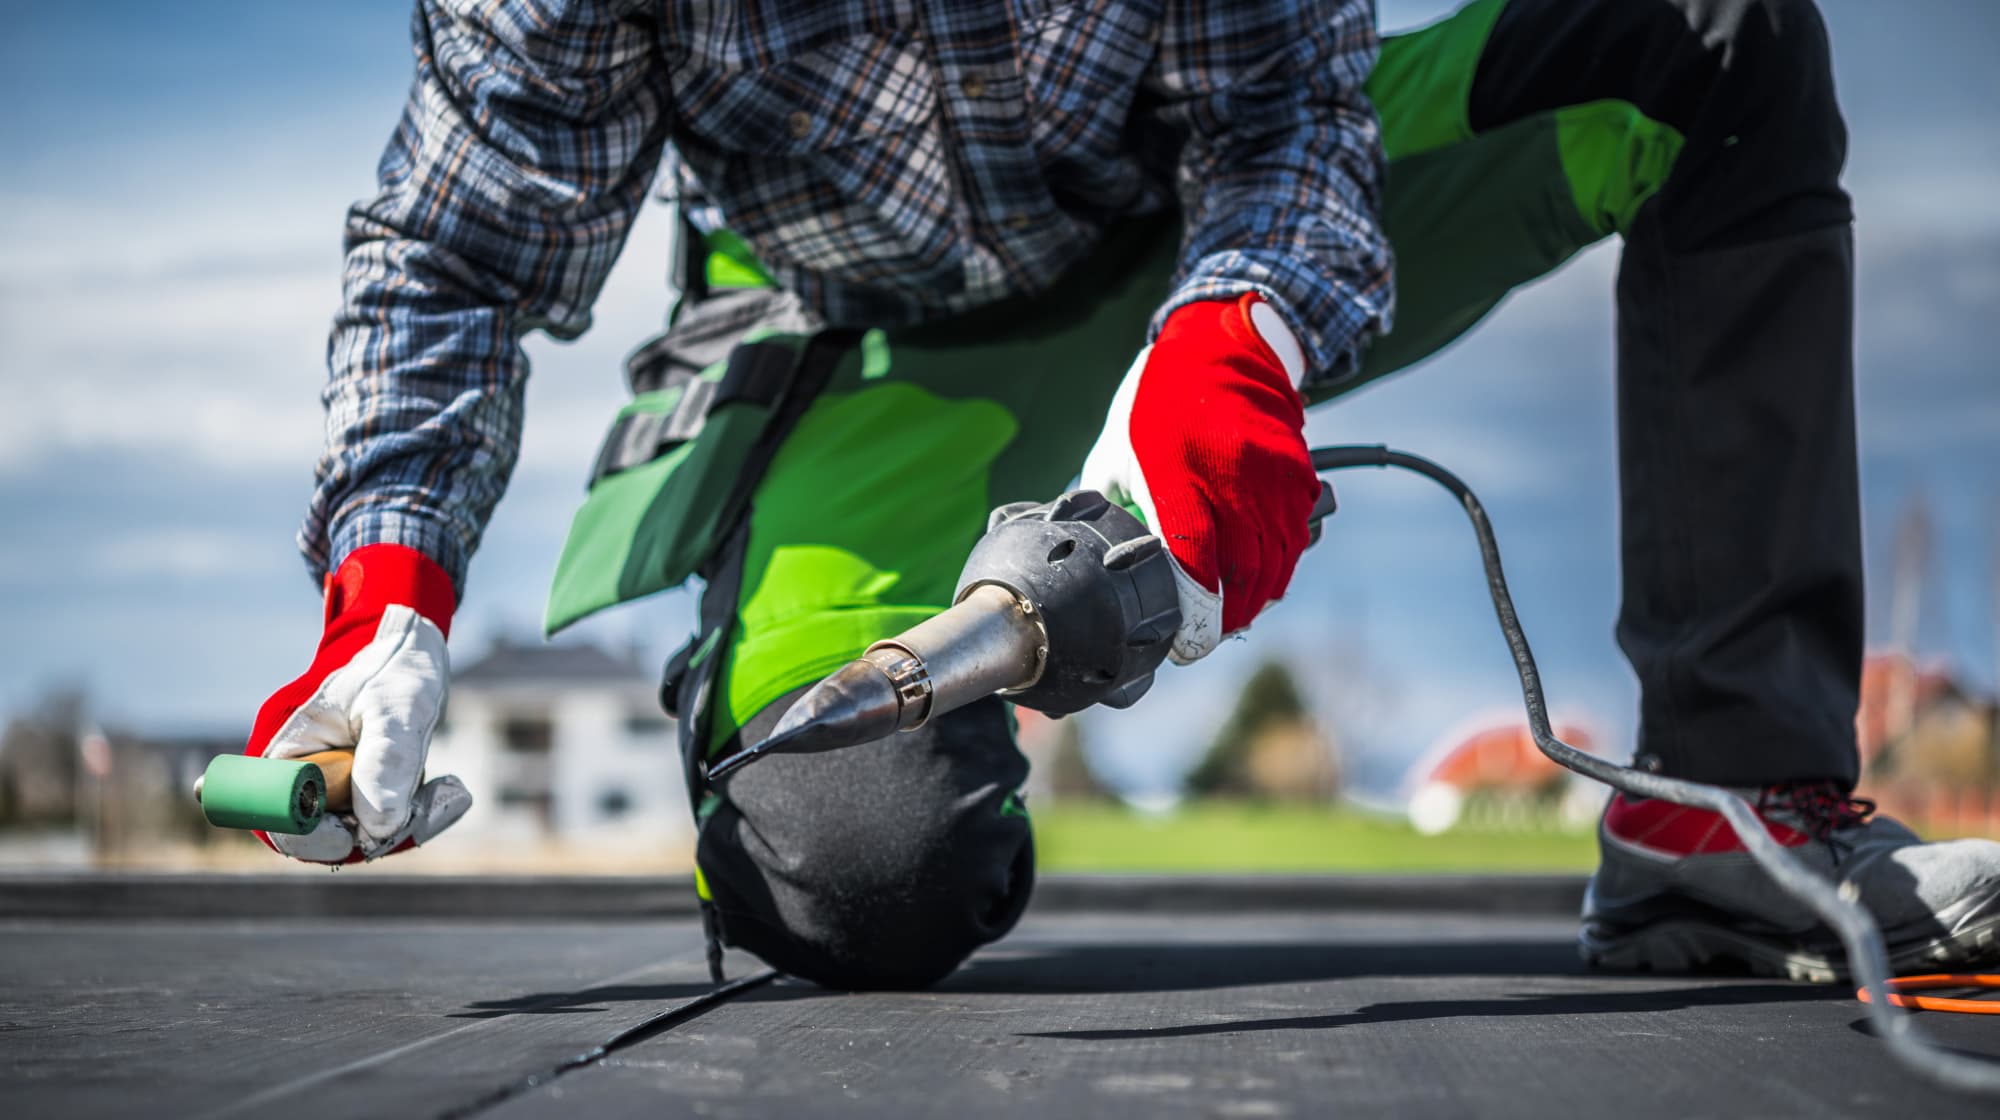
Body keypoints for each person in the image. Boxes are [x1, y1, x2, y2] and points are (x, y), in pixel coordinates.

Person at [246, 0, 2000, 988]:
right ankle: (798, 751)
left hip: (1189, 247)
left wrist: (1238, 327)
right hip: (863, 354)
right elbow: (452, 260)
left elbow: (1296, 126)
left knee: (1702, 40)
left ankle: (1723, 813)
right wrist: (382, 601)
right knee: (858, 872)